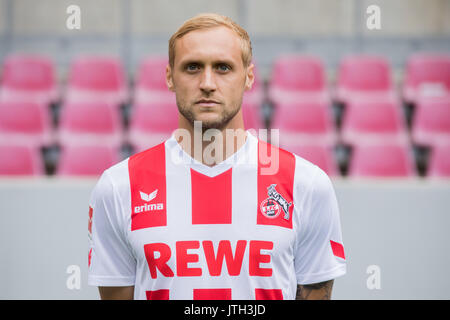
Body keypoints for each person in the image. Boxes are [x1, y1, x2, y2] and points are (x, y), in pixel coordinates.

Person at [87, 13, 346, 300]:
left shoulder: (306, 184)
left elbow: (316, 291)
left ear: (248, 77)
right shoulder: (119, 186)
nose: (207, 82)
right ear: (170, 77)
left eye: (223, 67)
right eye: (192, 67)